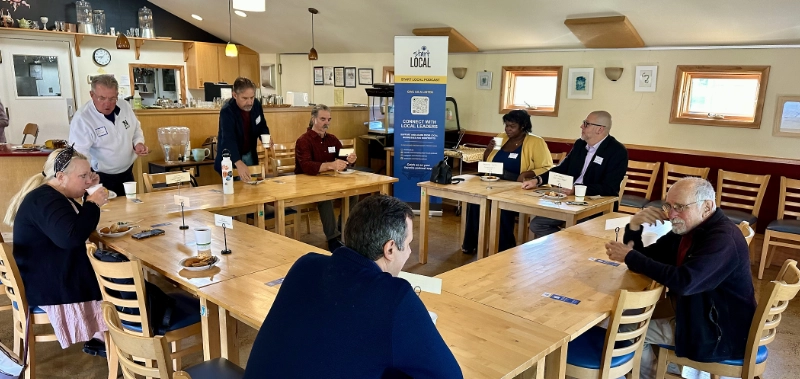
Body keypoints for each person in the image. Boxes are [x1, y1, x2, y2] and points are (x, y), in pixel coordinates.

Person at [243, 195, 463, 378]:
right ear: (390, 249)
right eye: (408, 245)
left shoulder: (306, 264)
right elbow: (451, 376)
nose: (409, 253)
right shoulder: (395, 297)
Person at [605, 177, 756, 379]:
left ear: (707, 207)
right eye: (668, 206)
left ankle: (653, 375)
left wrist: (630, 256)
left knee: (627, 328)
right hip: (698, 312)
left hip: (719, 331)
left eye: (680, 207)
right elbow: (651, 257)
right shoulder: (691, 228)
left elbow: (685, 282)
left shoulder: (722, 238)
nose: (671, 214)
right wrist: (635, 226)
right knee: (629, 314)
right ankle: (666, 370)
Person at [3, 146, 111, 355]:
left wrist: (90, 193)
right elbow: (72, 238)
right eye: (83, 176)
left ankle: (100, 334)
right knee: (117, 284)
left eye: (90, 174)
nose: (89, 180)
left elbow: (80, 227)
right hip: (49, 286)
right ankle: (114, 337)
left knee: (111, 273)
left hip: (44, 274)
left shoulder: (53, 195)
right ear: (61, 176)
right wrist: (93, 204)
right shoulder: (46, 200)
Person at [521, 111, 627, 238]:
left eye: (586, 124)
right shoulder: (580, 145)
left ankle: (569, 249)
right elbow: (562, 169)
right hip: (569, 200)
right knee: (537, 224)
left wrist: (577, 189)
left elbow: (609, 187)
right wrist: (537, 180)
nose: (581, 126)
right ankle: (563, 248)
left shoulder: (617, 151)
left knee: (577, 230)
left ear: (600, 129)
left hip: (597, 205)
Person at [462, 110, 553, 254]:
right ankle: (471, 243)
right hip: (493, 182)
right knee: (474, 202)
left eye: (512, 126)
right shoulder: (501, 138)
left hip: (517, 185)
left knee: (502, 208)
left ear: (523, 126)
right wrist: (488, 150)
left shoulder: (536, 142)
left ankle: (503, 247)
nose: (508, 129)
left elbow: (547, 167)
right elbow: (488, 161)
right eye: (506, 125)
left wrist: (526, 174)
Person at [69, 75, 148, 197]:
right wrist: (89, 183)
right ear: (92, 95)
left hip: (126, 173)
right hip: (99, 177)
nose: (107, 104)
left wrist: (138, 142)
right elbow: (80, 154)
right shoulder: (83, 119)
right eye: (102, 98)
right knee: (103, 213)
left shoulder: (125, 106)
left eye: (112, 99)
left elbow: (136, 129)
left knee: (130, 209)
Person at [295, 104, 358, 251]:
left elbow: (343, 158)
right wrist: (331, 165)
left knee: (353, 194)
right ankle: (333, 238)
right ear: (313, 119)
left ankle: (344, 230)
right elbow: (307, 166)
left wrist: (351, 159)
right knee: (326, 197)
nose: (326, 123)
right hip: (307, 182)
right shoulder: (304, 140)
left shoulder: (332, 139)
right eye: (323, 119)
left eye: (329, 119)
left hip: (329, 180)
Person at [213, 77, 270, 183]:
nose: (249, 102)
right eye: (245, 98)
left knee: (253, 188)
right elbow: (228, 139)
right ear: (235, 95)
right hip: (230, 156)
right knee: (234, 191)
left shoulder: (256, 104)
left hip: (249, 153)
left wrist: (265, 137)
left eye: (252, 97)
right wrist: (238, 162)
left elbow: (261, 124)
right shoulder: (227, 111)